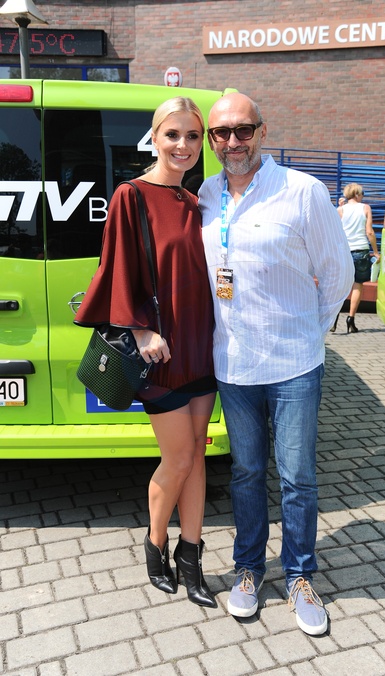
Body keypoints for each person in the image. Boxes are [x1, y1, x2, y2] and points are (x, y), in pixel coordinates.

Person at [198, 92, 354, 635]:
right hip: (233, 364)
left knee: (297, 477)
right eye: (221, 133)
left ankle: (300, 575)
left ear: (263, 132)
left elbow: (338, 272)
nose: (232, 142)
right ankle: (248, 569)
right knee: (245, 473)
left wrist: (309, 331)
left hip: (293, 365)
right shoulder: (207, 193)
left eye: (243, 130)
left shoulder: (302, 191)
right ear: (212, 141)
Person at [74, 97, 217, 608]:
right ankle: (156, 545)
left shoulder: (197, 202)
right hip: (159, 354)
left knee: (197, 453)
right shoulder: (130, 196)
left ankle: (192, 557)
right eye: (173, 134)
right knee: (177, 458)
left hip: (202, 348)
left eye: (193, 136)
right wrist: (138, 332)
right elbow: (116, 270)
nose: (184, 145)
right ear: (154, 138)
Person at [335, 182, 380, 333]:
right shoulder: (365, 208)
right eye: (362, 193)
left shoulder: (340, 210)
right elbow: (369, 232)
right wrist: (376, 252)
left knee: (341, 285)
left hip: (344, 251)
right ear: (356, 194)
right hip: (360, 250)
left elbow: (336, 232)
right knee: (357, 285)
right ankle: (351, 319)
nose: (362, 196)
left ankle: (334, 318)